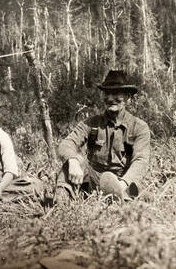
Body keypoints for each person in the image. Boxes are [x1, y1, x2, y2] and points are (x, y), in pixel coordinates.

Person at [54, 70, 151, 202]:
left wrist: (122, 184)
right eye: (107, 93)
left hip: (124, 180)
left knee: (138, 188)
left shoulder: (139, 127)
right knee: (73, 162)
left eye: (116, 93)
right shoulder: (91, 123)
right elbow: (67, 143)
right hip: (94, 179)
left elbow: (141, 161)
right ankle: (60, 202)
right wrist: (73, 160)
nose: (110, 98)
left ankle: (120, 197)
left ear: (128, 97)